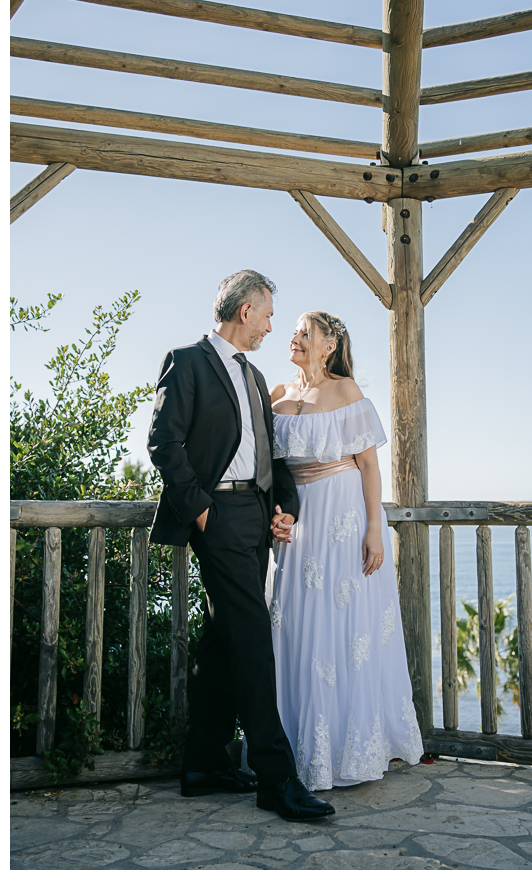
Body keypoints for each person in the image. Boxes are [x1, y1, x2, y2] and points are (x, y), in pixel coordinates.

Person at [147, 271, 335, 821]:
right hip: (218, 517)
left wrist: (285, 508)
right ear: (245, 310)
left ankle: (203, 763)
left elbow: (272, 456)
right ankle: (278, 781)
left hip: (256, 516)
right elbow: (163, 441)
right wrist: (201, 509)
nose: (274, 326)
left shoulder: (255, 377)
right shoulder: (187, 361)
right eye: (269, 315)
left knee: (225, 639)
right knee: (254, 639)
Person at [269, 311, 424, 790]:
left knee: (343, 626)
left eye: (304, 332)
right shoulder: (276, 395)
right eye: (294, 331)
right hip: (297, 525)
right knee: (295, 625)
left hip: (343, 517)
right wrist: (274, 511)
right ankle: (294, 746)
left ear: (328, 345)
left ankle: (349, 747)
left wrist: (375, 528)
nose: (294, 338)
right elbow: (269, 470)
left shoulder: (347, 392)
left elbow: (370, 469)